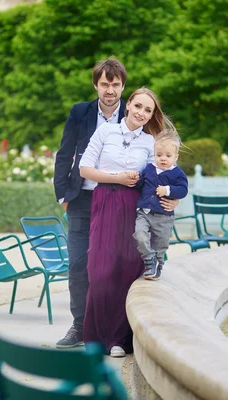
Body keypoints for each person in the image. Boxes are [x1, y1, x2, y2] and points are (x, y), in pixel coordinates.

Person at [78, 87, 175, 358]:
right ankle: (96, 338)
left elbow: (164, 174)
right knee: (99, 269)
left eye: (148, 110)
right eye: (138, 106)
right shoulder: (105, 132)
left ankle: (119, 339)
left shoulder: (150, 141)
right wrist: (118, 178)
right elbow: (84, 169)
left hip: (135, 207)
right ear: (128, 104)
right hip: (105, 200)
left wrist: (173, 198)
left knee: (127, 269)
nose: (142, 113)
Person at [53, 57, 127, 349]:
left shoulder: (131, 114)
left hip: (116, 199)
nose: (110, 90)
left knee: (113, 266)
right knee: (79, 264)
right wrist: (62, 196)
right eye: (105, 84)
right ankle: (79, 325)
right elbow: (64, 153)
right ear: (96, 84)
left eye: (116, 84)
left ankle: (112, 329)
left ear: (123, 86)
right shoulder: (80, 112)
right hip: (81, 198)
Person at [132, 129, 188, 281]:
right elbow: (140, 185)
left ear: (175, 156)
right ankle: (149, 259)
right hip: (144, 212)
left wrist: (167, 190)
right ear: (154, 153)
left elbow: (183, 190)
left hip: (164, 216)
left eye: (168, 156)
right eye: (159, 155)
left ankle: (157, 264)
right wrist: (135, 179)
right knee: (140, 235)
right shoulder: (149, 169)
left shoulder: (177, 174)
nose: (163, 159)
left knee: (161, 244)